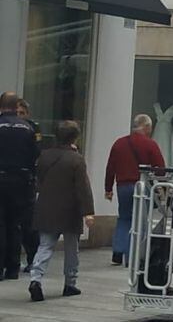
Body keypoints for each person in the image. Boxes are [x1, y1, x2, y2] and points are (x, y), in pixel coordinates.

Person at [27, 121, 94, 301]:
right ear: (75, 137)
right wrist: (88, 211)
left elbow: (39, 178)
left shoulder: (44, 156)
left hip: (47, 206)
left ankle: (36, 278)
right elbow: (83, 187)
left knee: (45, 246)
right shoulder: (76, 159)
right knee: (72, 248)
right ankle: (70, 283)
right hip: (70, 209)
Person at [105, 114, 164, 265]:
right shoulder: (150, 144)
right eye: (150, 127)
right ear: (146, 126)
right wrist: (162, 187)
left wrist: (108, 188)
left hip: (122, 186)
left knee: (124, 218)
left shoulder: (119, 143)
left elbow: (110, 167)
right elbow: (160, 169)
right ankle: (134, 253)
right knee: (140, 221)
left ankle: (118, 251)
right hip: (141, 186)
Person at [0, 92, 40, 280]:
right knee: (15, 224)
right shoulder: (28, 128)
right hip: (21, 181)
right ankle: (13, 267)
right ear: (16, 106)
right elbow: (35, 155)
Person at [16, 99, 41, 274]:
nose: (19, 117)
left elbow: (37, 152)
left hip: (26, 181)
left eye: (22, 113)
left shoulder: (33, 128)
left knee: (28, 224)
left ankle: (33, 258)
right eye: (17, 113)